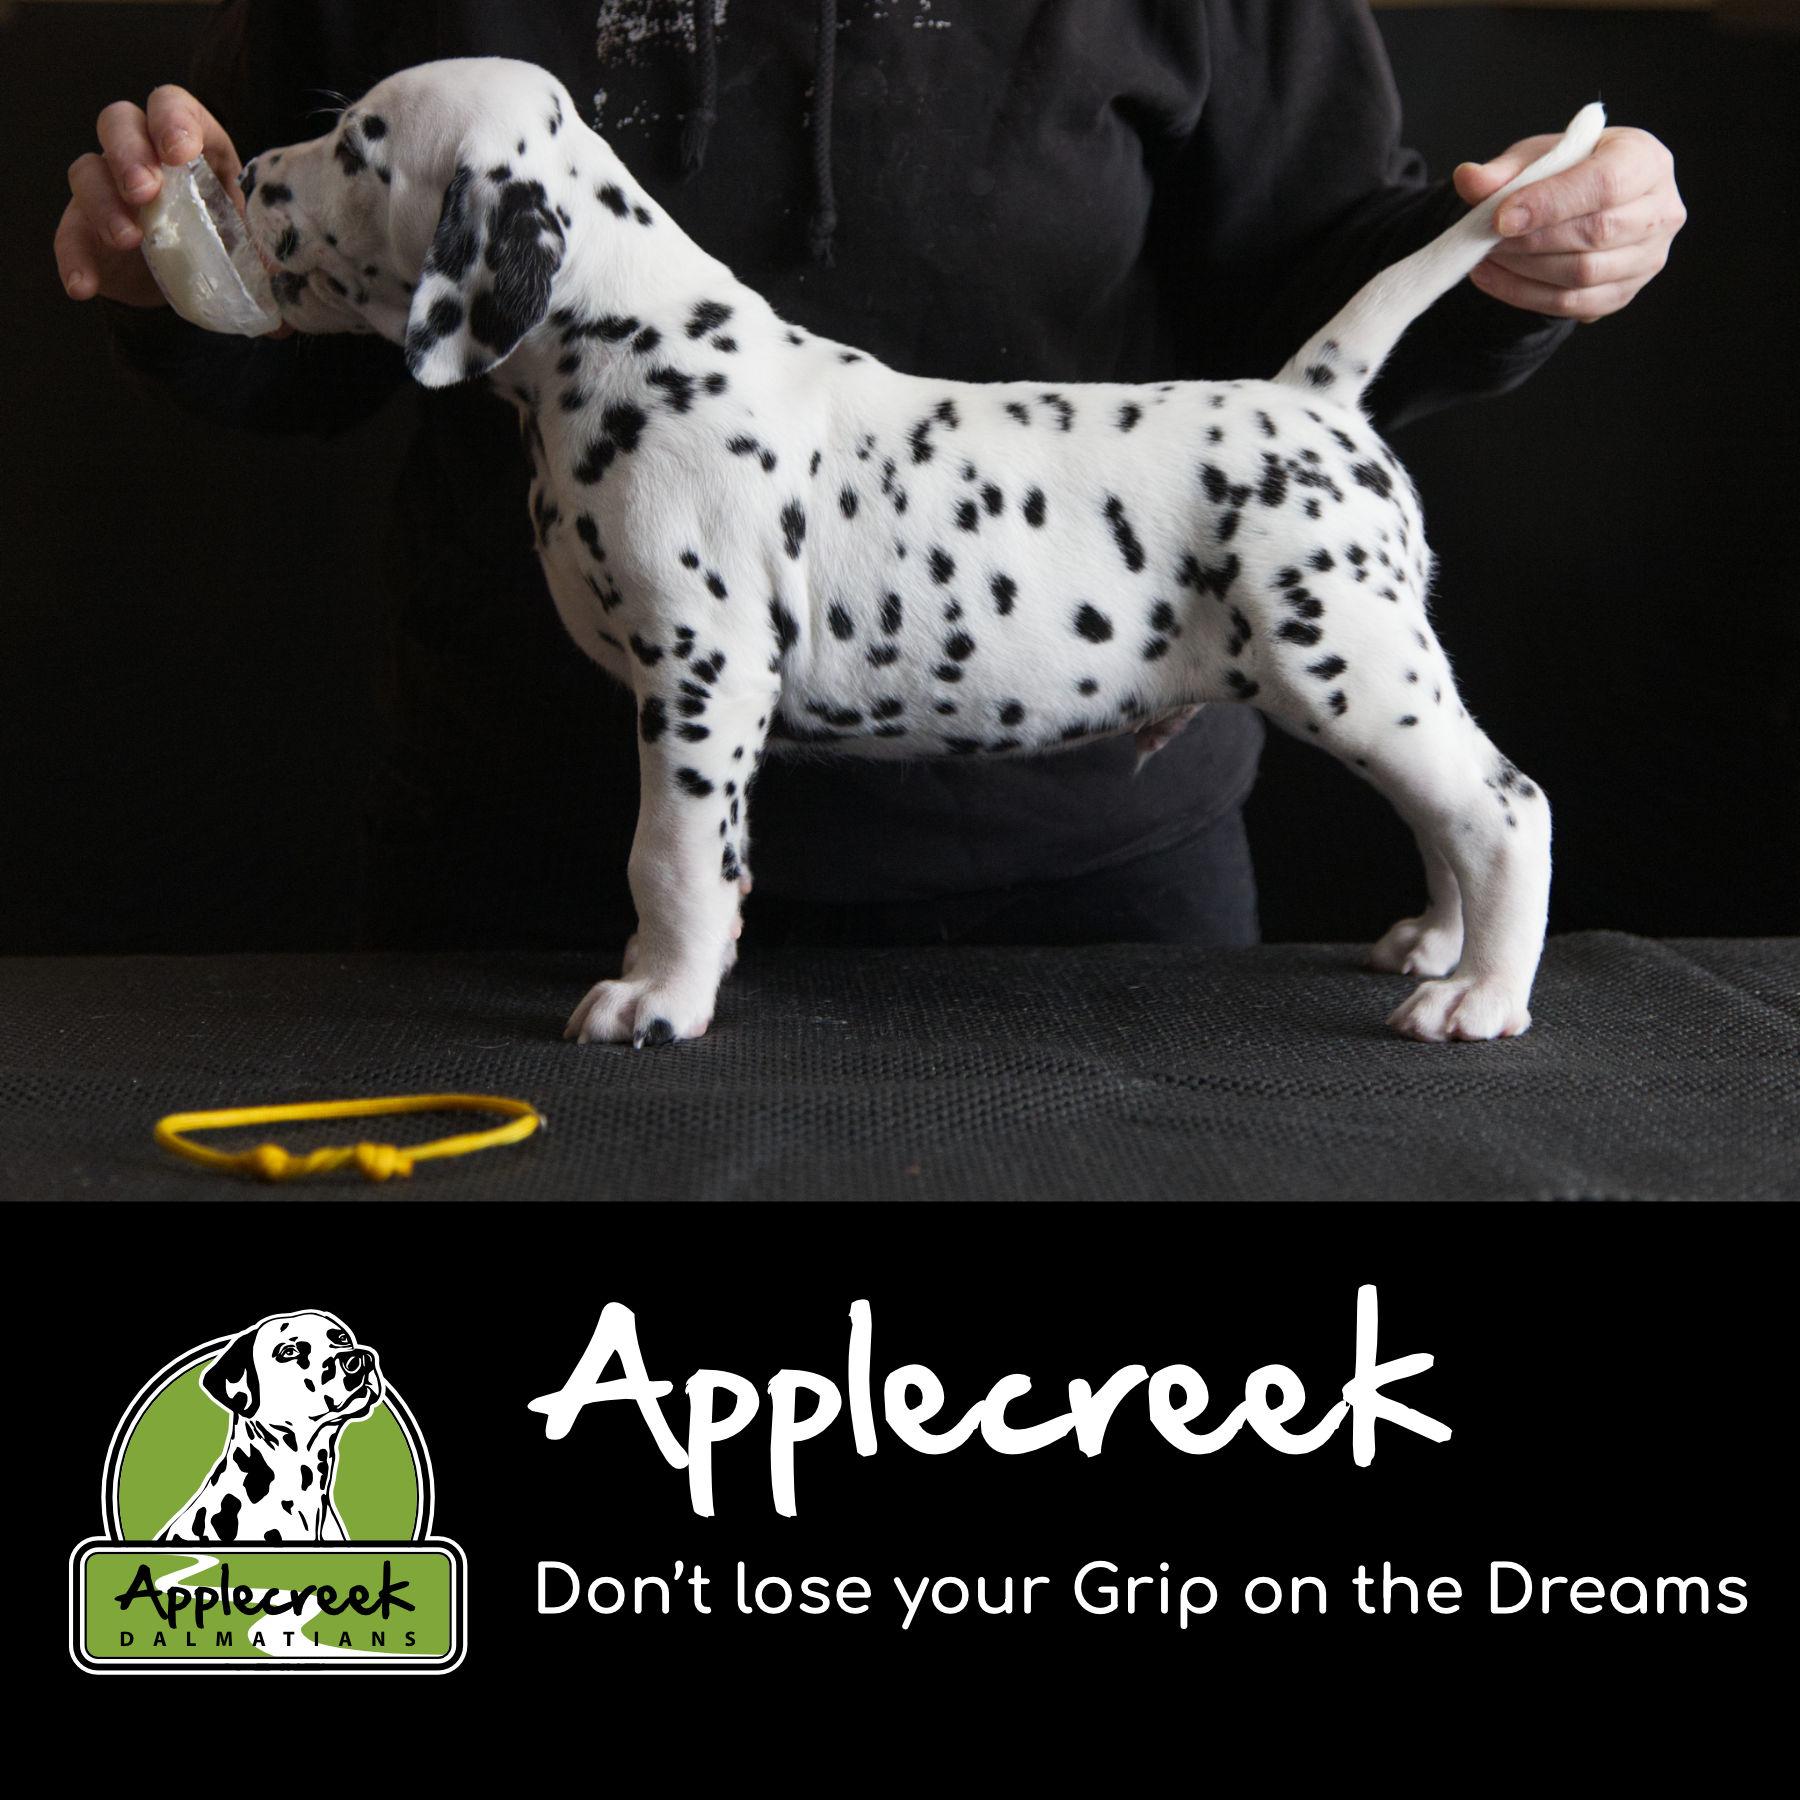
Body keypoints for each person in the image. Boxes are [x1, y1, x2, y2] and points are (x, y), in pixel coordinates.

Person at [55, 1, 1683, 956]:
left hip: (1086, 898)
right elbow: (286, 296)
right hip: (509, 874)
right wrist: (169, 267)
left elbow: (1320, 264)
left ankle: (1494, 871)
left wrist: (1518, 254)